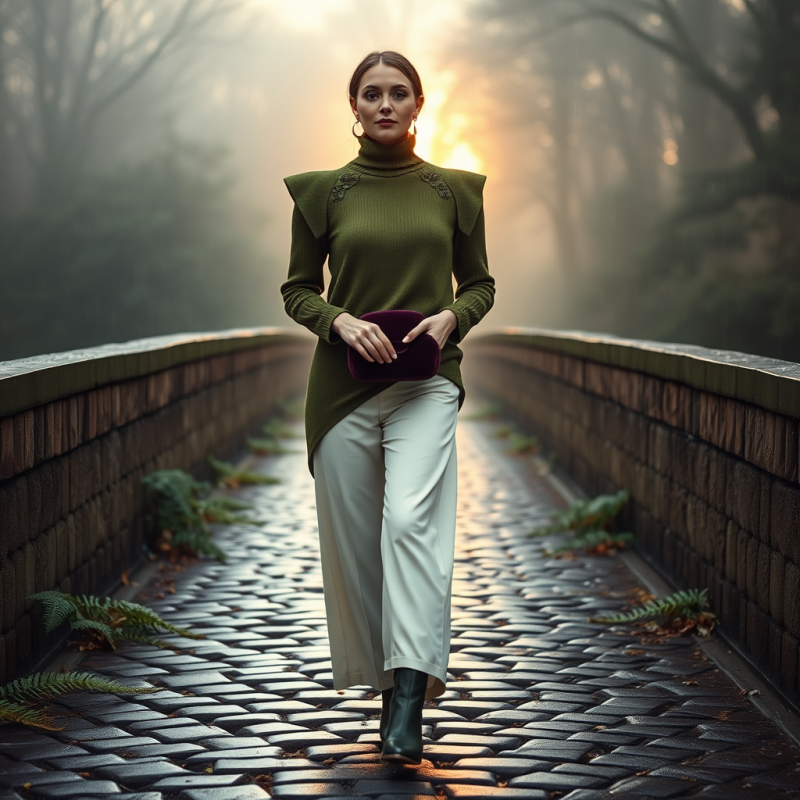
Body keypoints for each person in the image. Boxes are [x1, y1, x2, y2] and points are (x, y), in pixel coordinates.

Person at [280, 50, 495, 766]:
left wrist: (452, 319)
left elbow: (483, 284)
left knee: (410, 524)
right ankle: (385, 678)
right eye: (371, 93)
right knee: (358, 553)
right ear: (353, 106)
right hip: (341, 392)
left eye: (398, 93)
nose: (384, 104)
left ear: (417, 105)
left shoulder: (455, 192)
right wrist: (339, 321)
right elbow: (297, 290)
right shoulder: (323, 194)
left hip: (426, 385)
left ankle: (409, 696)